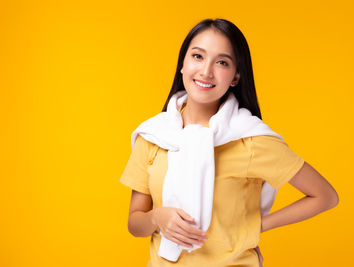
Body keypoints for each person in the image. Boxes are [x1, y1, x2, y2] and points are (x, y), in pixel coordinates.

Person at [120, 18, 339, 267]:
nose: (206, 71)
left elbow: (325, 196)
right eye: (198, 56)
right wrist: (157, 218)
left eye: (222, 62)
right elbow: (135, 224)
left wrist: (254, 227)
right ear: (183, 64)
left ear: (235, 76)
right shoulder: (155, 134)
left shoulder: (251, 139)